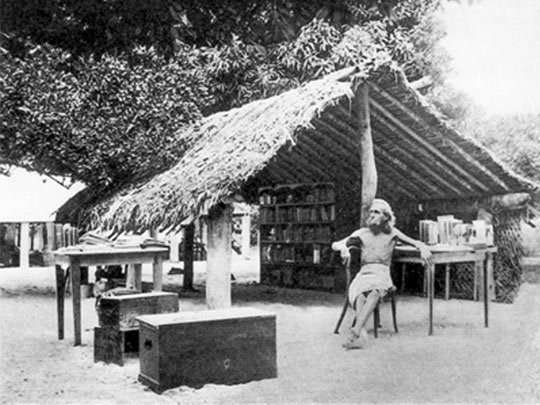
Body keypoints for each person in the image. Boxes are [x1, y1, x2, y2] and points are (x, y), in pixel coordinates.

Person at [332, 198, 433, 350]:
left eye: (376, 212)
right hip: (364, 273)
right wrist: (344, 249)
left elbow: (416, 242)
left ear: (386, 217)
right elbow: (337, 244)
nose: (372, 215)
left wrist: (423, 249)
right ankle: (361, 333)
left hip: (381, 274)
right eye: (371, 212)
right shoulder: (362, 233)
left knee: (373, 293)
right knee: (359, 295)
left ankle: (355, 332)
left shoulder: (392, 233)